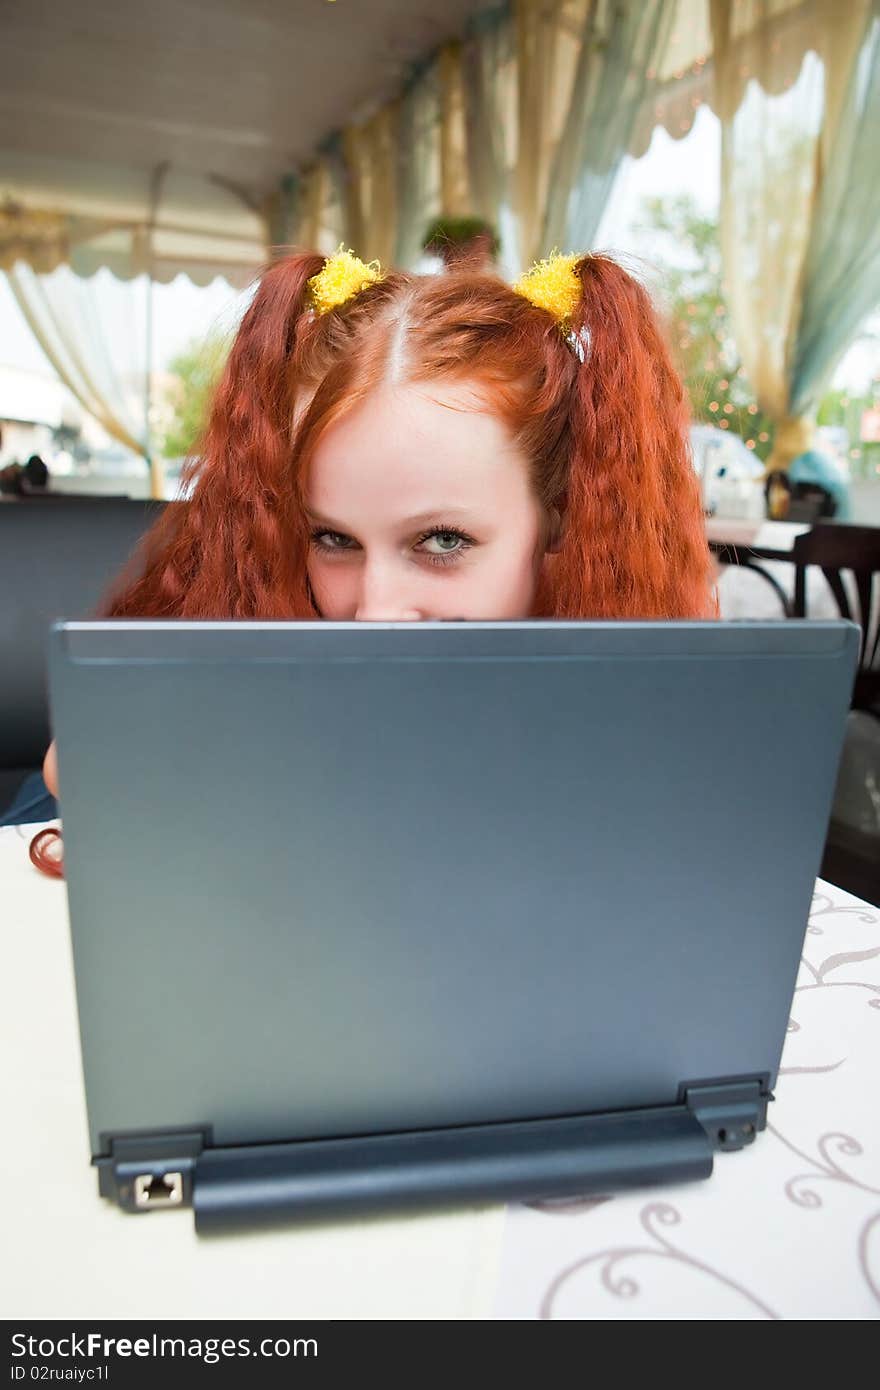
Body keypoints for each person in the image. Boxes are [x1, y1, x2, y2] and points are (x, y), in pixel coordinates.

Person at [7, 247, 717, 845]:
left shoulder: (625, 706)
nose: (376, 610)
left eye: (442, 540)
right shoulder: (253, 648)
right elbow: (67, 775)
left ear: (558, 523)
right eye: (332, 538)